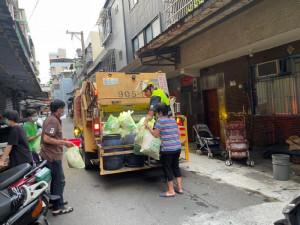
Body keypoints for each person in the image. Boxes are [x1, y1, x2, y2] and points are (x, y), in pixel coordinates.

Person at [40, 99, 74, 216]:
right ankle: (58, 207)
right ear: (59, 109)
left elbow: (52, 136)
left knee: (56, 180)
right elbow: (47, 138)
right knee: (60, 181)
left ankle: (53, 202)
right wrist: (64, 143)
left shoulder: (53, 119)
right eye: (63, 109)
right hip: (52, 156)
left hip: (51, 154)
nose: (63, 111)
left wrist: (62, 139)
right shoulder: (53, 120)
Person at [145, 102, 183, 197]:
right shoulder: (172, 119)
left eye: (157, 112)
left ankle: (171, 191)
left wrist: (148, 127)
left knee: (168, 168)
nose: (157, 114)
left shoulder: (161, 121)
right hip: (177, 148)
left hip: (168, 149)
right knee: (176, 167)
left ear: (160, 112)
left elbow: (155, 134)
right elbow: (179, 133)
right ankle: (179, 188)